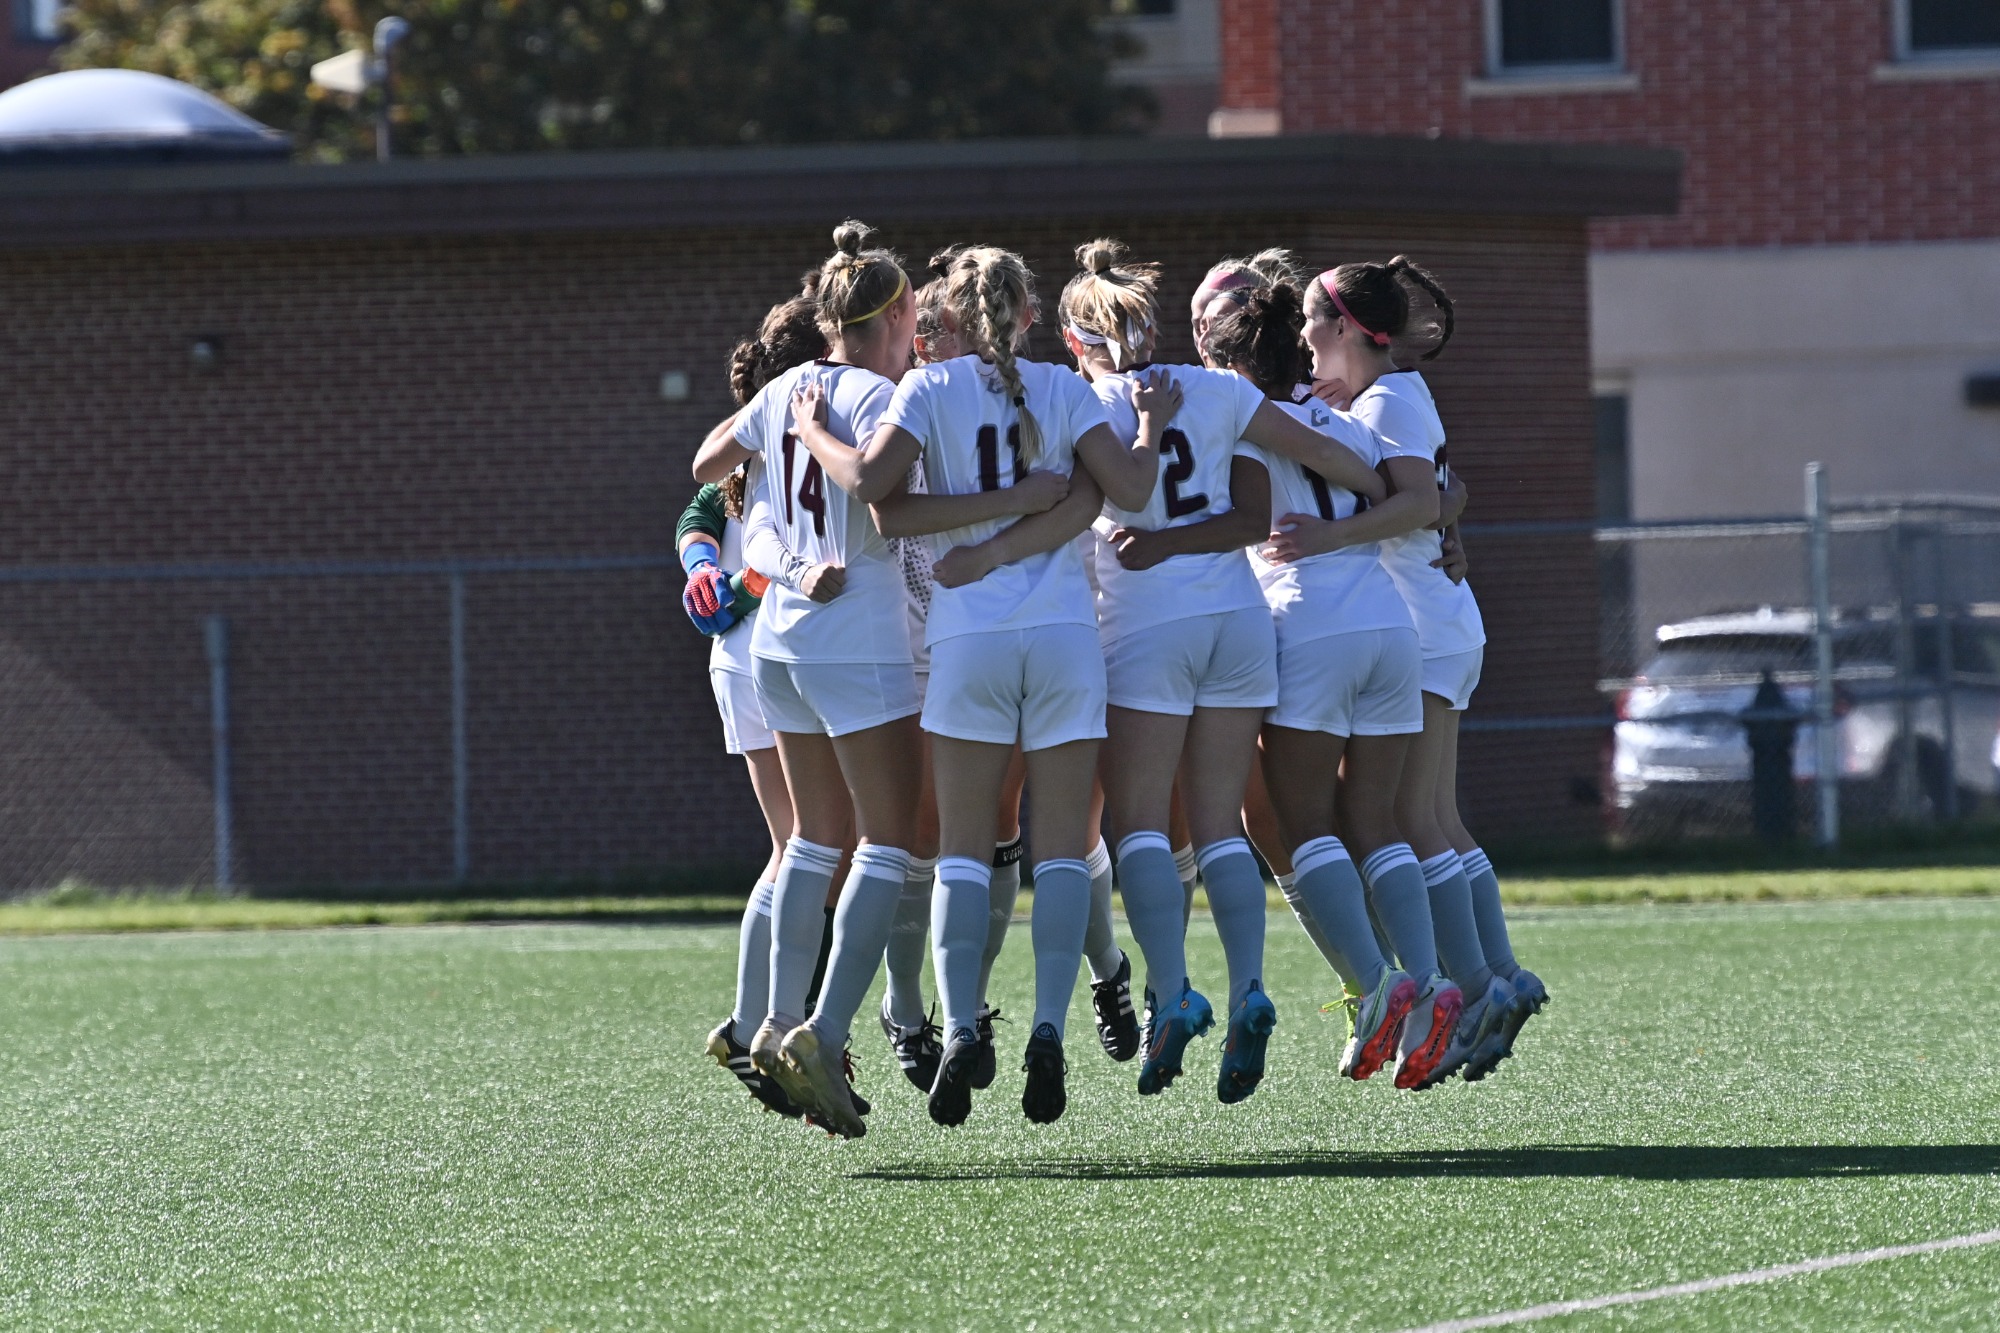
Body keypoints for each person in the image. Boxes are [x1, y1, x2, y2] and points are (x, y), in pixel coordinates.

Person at [789, 243, 1159, 1127]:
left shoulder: (927, 388)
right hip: (1063, 637)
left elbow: (879, 494)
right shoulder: (1068, 390)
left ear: (947, 314)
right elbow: (1132, 490)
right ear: (1032, 317)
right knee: (1062, 849)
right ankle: (1046, 1029)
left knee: (959, 849)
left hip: (967, 639)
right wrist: (1132, 435)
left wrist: (811, 430)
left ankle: (959, 1027)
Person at [1059, 240, 1389, 1103]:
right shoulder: (1216, 388)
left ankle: (1173, 993)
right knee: (1222, 827)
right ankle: (1249, 985)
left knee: (1135, 827)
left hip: (1145, 627)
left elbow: (1088, 505)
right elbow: (1334, 464)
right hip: (1238, 621)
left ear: (1073, 340)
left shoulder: (1076, 400)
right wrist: (1399, 501)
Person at [1303, 257, 1547, 1083]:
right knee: (1431, 812)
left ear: (1346, 329)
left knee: (1410, 817)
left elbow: (1417, 498)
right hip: (1439, 622)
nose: (1304, 338)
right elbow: (1449, 490)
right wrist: (1452, 514)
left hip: (1423, 624)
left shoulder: (1387, 396)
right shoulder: (1390, 395)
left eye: (1312, 321)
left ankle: (1479, 987)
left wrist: (1324, 538)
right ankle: (1499, 975)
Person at [686, 294, 831, 1122]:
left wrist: (710, 570)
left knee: (794, 849)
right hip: (777, 650)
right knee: (817, 851)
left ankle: (754, 1023)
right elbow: (726, 523)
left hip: (742, 656)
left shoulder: (754, 430)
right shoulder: (797, 432)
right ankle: (772, 1025)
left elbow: (704, 508)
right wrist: (719, 576)